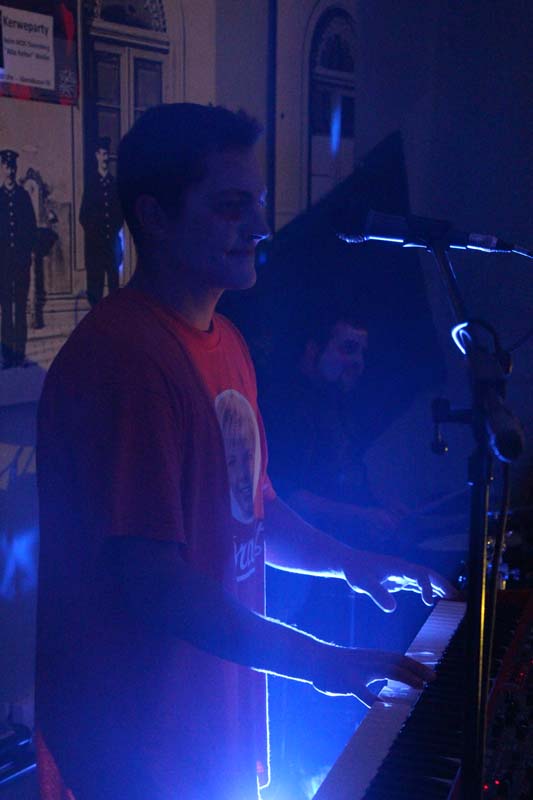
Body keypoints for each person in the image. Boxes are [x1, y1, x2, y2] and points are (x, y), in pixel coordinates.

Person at [36, 103, 453, 800]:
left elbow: (253, 513)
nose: (259, 227)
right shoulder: (127, 359)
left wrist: (351, 564)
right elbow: (155, 584)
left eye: (257, 203)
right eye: (232, 207)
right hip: (139, 748)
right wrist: (321, 662)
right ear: (156, 216)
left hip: (211, 732)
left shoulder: (225, 341)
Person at [266, 312, 405, 552]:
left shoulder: (333, 401)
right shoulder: (287, 407)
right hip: (314, 553)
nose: (358, 361)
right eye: (348, 349)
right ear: (312, 350)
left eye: (362, 353)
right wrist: (363, 516)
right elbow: (286, 497)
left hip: (345, 547)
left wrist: (380, 508)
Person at [0, 149, 37, 368]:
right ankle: (7, 356)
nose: (10, 171)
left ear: (16, 169)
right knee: (6, 309)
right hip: (3, 263)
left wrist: (26, 253)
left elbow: (31, 228)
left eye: (12, 167)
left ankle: (19, 354)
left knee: (20, 308)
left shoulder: (23, 197)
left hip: (21, 262)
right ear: (2, 168)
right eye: (6, 166)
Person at [79, 136, 124, 307]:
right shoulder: (91, 185)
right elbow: (83, 216)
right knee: (95, 291)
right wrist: (96, 234)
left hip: (111, 246)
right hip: (95, 247)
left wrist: (111, 233)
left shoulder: (114, 184)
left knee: (114, 289)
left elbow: (120, 214)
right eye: (102, 154)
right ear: (96, 156)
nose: (105, 158)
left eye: (107, 154)